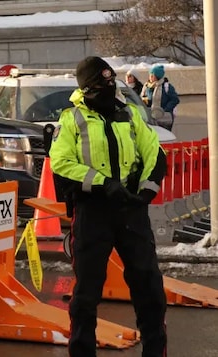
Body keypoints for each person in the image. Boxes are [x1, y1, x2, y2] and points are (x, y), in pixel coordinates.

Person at [49, 56, 167, 357]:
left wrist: (144, 194)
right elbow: (62, 163)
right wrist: (103, 183)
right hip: (93, 213)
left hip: (130, 209)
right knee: (86, 295)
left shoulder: (127, 114)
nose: (110, 89)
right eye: (103, 85)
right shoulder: (71, 119)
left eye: (112, 82)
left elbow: (154, 151)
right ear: (87, 89)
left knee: (149, 287)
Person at [141, 64, 180, 131]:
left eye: (152, 75)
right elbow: (144, 98)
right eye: (150, 75)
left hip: (164, 118)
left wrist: (165, 110)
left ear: (157, 77)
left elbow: (175, 99)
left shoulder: (166, 87)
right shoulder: (147, 86)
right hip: (150, 118)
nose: (150, 77)